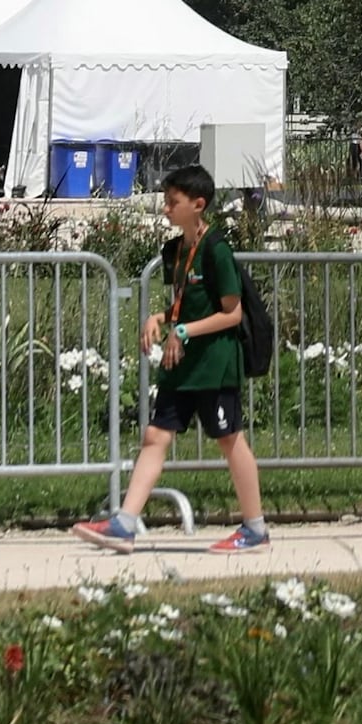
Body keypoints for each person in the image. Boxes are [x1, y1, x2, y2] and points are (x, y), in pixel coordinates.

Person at [80, 163, 269, 551]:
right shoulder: (174, 250)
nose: (166, 208)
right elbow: (186, 305)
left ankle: (255, 528)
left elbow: (230, 313)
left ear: (198, 205)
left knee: (230, 440)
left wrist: (181, 331)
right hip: (179, 365)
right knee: (155, 436)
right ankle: (125, 523)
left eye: (173, 202)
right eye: (165, 201)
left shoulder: (216, 249)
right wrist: (160, 317)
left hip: (214, 365)